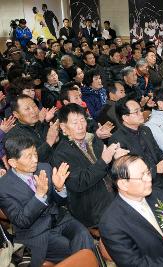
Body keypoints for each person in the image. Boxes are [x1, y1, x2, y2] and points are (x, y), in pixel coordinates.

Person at [0, 136, 94, 267]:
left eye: (35, 154)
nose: (35, 160)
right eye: (28, 157)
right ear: (13, 162)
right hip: (36, 232)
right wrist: (39, 196)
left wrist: (59, 188)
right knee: (77, 249)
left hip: (60, 219)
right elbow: (21, 221)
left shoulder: (44, 168)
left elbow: (60, 202)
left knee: (83, 234)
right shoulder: (4, 187)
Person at [51, 104, 126, 227]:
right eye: (75, 123)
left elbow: (109, 169)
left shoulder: (93, 140)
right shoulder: (61, 154)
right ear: (63, 128)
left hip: (114, 197)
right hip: (92, 209)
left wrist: (116, 159)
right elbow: (79, 183)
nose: (80, 126)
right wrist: (104, 161)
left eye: (82, 120)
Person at [110, 96, 163, 189]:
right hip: (143, 183)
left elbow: (157, 150)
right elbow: (128, 171)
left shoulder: (145, 129)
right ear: (125, 117)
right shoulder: (117, 140)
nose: (141, 114)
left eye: (140, 110)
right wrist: (155, 170)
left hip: (162, 175)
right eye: (136, 112)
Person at [5, 94, 59, 162]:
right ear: (16, 114)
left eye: (34, 106)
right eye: (27, 109)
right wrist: (49, 142)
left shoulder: (42, 125)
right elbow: (29, 162)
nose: (33, 111)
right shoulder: (13, 136)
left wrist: (56, 140)